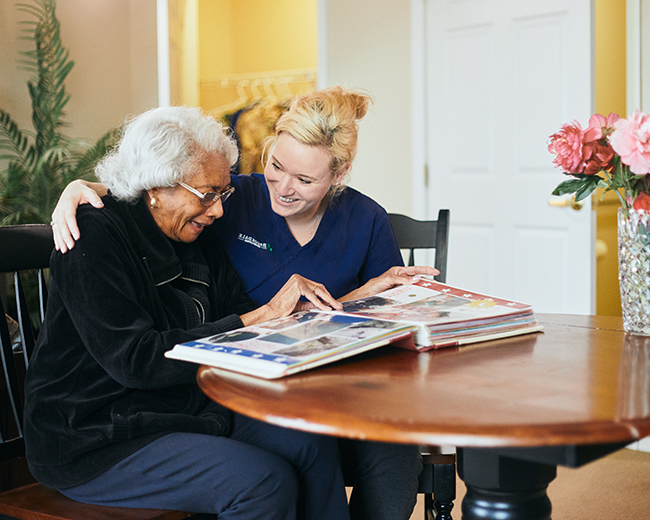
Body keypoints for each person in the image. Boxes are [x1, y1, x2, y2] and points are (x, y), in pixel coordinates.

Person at [50, 87, 437, 520]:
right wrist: (82, 187)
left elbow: (240, 303)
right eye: (276, 166)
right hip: (103, 430)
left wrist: (355, 300)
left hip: (199, 403)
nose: (217, 210)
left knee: (317, 446)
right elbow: (137, 360)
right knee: (266, 479)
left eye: (220, 194)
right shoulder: (116, 231)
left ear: (338, 174)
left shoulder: (198, 224)